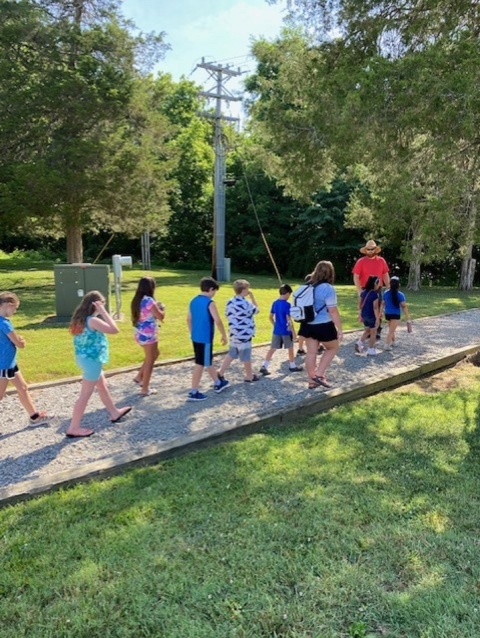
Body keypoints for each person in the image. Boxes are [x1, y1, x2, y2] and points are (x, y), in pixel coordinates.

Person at [66, 291, 132, 438]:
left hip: (83, 358)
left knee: (102, 385)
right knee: (85, 395)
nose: (104, 306)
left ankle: (114, 412)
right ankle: (73, 427)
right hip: (92, 362)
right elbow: (114, 329)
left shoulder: (80, 319)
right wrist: (103, 312)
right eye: (102, 304)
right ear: (96, 304)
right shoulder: (92, 320)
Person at [0, 291, 52, 425]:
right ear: (8, 305)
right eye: (15, 308)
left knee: (22, 388)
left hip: (10, 363)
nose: (15, 312)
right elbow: (19, 344)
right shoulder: (5, 324)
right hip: (4, 365)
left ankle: (34, 417)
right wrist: (21, 340)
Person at [297, 261, 343, 389]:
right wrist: (339, 328)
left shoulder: (307, 285)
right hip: (323, 324)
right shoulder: (327, 288)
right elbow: (332, 310)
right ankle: (319, 374)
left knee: (311, 353)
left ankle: (312, 380)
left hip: (307, 324)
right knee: (333, 347)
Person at [186, 276, 230, 401]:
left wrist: (192, 332)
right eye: (214, 291)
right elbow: (218, 320)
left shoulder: (193, 301)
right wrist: (223, 335)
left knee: (207, 361)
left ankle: (217, 382)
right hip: (205, 337)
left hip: (195, 336)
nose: (214, 294)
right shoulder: (210, 303)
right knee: (200, 363)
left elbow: (188, 319)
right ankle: (193, 391)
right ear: (210, 289)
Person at [217, 279, 260, 383]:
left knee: (232, 353)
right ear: (244, 290)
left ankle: (221, 372)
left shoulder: (230, 301)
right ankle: (249, 376)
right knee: (246, 355)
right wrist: (252, 297)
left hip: (234, 333)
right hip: (244, 334)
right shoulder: (246, 303)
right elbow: (257, 310)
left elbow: (226, 314)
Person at [131, 276, 165, 396]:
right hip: (149, 335)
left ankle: (139, 376)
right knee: (150, 360)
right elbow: (160, 316)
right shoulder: (149, 300)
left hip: (139, 333)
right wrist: (162, 308)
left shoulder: (136, 300)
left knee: (155, 354)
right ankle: (145, 389)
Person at [259, 284, 302, 375]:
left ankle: (264, 365)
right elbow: (289, 320)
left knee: (272, 348)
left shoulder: (275, 303)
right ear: (286, 293)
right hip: (286, 331)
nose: (289, 296)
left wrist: (275, 325)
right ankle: (292, 365)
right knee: (290, 348)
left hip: (277, 330)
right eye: (289, 294)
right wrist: (294, 333)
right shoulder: (287, 305)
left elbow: (270, 317)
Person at [352, 240, 390, 339]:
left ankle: (377, 329)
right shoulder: (361, 261)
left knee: (378, 308)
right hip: (365, 288)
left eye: (372, 249)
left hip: (378, 288)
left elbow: (385, 275)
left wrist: (389, 287)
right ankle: (367, 329)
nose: (370, 251)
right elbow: (356, 276)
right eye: (368, 249)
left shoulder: (381, 261)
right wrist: (359, 290)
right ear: (365, 250)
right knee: (366, 309)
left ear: (375, 249)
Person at [381, 276, 412, 350]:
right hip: (395, 314)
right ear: (399, 285)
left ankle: (394, 341)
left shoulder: (386, 293)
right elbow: (404, 306)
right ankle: (387, 345)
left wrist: (380, 312)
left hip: (387, 314)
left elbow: (383, 304)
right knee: (391, 330)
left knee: (391, 328)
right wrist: (408, 317)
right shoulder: (400, 295)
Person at [355, 275, 382, 356]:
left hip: (364, 315)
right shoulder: (374, 294)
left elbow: (359, 305)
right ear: (375, 284)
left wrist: (360, 314)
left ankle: (359, 343)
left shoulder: (363, 292)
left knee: (367, 330)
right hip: (371, 316)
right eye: (378, 284)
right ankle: (370, 349)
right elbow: (375, 308)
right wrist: (377, 318)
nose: (379, 285)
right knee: (373, 332)